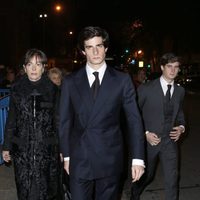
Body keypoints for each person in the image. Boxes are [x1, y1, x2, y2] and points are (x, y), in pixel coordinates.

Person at [59, 26, 145, 200]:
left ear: (106, 48)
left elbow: (134, 120)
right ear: (83, 51)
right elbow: (64, 121)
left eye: (99, 46)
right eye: (90, 47)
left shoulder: (122, 80)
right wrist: (66, 155)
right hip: (79, 157)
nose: (95, 51)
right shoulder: (70, 82)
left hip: (109, 157)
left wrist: (138, 159)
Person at [2, 49, 61, 200]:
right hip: (23, 150)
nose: (34, 68)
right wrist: (6, 146)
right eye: (30, 64)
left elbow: (59, 121)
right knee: (25, 189)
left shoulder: (53, 90)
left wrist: (63, 150)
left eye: (38, 64)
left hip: (46, 150)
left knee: (46, 191)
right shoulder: (16, 89)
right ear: (24, 67)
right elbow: (11, 119)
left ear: (43, 67)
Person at [131, 53, 185, 200]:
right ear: (162, 67)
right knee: (146, 176)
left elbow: (180, 114)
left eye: (176, 67)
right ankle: (134, 194)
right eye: (169, 66)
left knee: (172, 179)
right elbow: (134, 115)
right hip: (150, 141)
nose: (173, 70)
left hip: (170, 142)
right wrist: (145, 133)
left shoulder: (180, 91)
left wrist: (181, 127)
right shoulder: (146, 89)